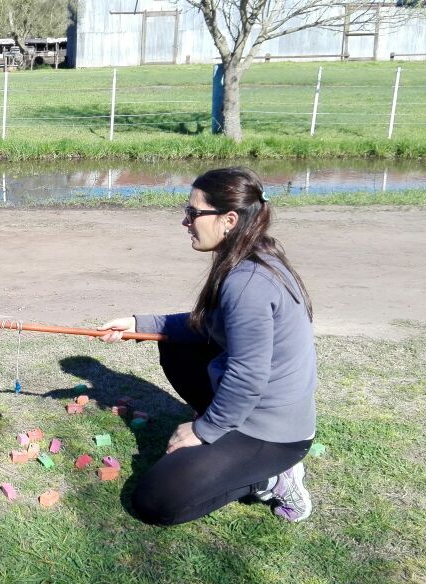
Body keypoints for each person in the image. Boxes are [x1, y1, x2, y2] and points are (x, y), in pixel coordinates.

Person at [97, 167, 317, 526]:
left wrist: (203, 431)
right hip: (253, 409)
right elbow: (206, 324)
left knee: (155, 501)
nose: (186, 221)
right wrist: (139, 324)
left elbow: (247, 377)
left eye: (194, 213)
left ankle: (274, 478)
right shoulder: (251, 254)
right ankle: (225, 438)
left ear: (229, 219)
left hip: (275, 433)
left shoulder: (248, 282)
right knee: (174, 344)